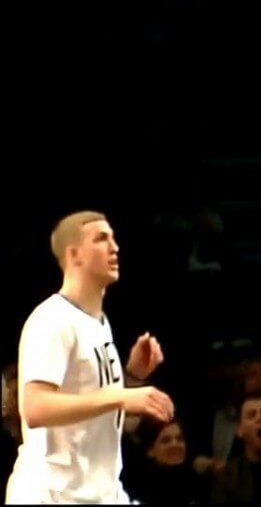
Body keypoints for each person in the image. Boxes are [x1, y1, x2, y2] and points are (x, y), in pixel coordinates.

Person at [6, 211, 174, 504]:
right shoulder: (52, 319)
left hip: (100, 491)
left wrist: (132, 376)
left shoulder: (99, 322)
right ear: (74, 255)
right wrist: (121, 396)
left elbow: (95, 414)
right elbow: (34, 408)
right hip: (52, 495)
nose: (114, 247)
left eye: (113, 238)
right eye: (101, 239)